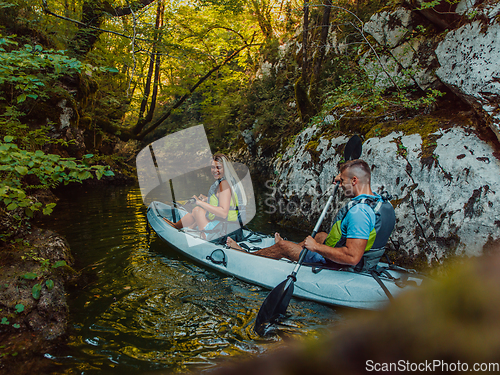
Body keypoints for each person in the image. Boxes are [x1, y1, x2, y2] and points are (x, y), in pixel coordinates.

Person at [227, 159, 396, 271]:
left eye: (343, 181)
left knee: (284, 246)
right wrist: (343, 175)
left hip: (346, 265)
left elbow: (352, 257)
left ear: (354, 181)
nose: (340, 186)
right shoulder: (380, 202)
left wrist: (316, 248)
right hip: (367, 261)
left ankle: (249, 254)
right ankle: (290, 250)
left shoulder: (359, 212)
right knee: (322, 235)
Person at [164, 153, 245, 240]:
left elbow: (223, 213)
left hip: (225, 232)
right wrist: (207, 199)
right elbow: (224, 199)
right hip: (232, 229)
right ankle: (186, 228)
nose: (215, 170)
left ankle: (177, 227)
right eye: (213, 167)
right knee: (203, 211)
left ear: (225, 169)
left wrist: (199, 202)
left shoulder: (224, 184)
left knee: (197, 210)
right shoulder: (227, 182)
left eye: (219, 168)